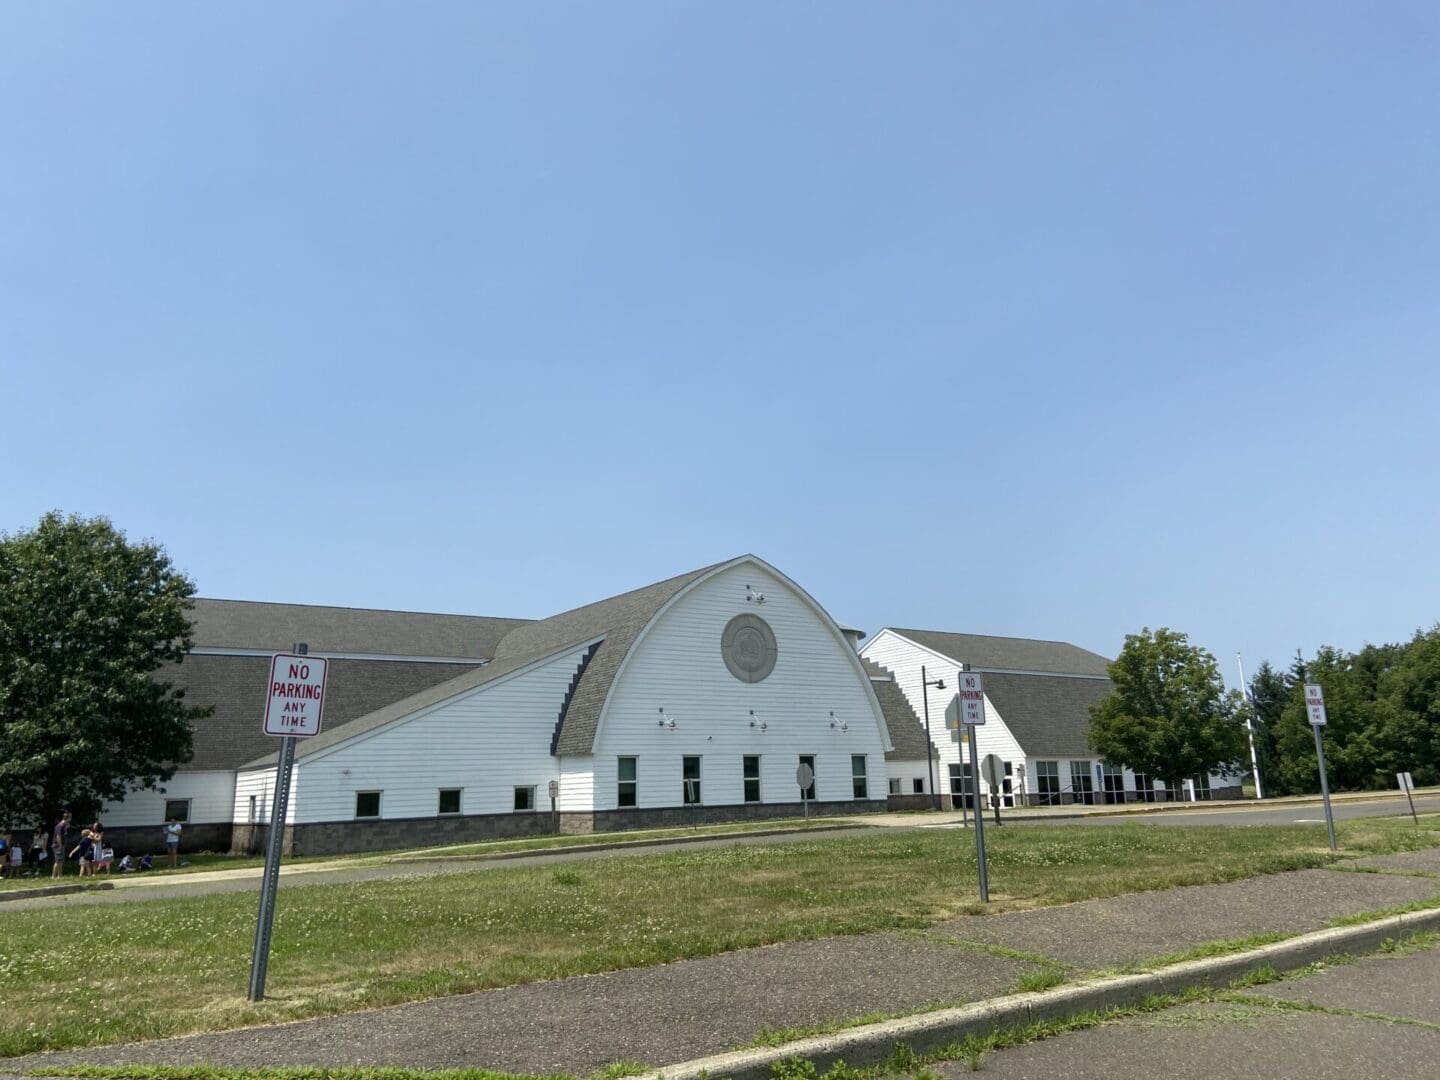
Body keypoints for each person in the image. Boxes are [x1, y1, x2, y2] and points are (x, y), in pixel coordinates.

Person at [51, 812, 72, 879]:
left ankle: (59, 875)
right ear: (69, 818)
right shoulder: (60, 826)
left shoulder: (63, 825)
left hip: (60, 845)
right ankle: (55, 876)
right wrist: (60, 845)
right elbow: (58, 836)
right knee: (58, 861)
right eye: (70, 818)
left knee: (60, 861)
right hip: (58, 845)